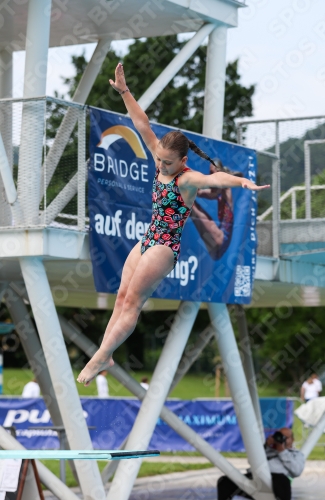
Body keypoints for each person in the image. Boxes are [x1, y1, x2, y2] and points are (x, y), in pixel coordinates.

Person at [77, 63, 270, 387]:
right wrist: (125, 92)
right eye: (159, 160)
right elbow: (142, 124)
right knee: (122, 295)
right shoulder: (160, 157)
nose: (162, 166)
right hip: (148, 236)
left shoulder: (187, 178)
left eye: (168, 162)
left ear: (182, 161)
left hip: (165, 246)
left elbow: (216, 177)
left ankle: (101, 355)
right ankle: (106, 353)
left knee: (134, 301)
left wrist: (241, 183)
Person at [217, 428, 305, 500]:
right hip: (255, 478)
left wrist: (282, 451)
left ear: (292, 440)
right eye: (279, 436)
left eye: (285, 437)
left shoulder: (296, 455)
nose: (282, 439)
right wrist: (266, 445)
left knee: (283, 480)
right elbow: (251, 461)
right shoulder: (267, 450)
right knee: (224, 481)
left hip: (276, 481)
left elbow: (297, 471)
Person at [191, 159, 243, 260]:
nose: (210, 175)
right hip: (215, 251)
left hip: (222, 238)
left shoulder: (225, 187)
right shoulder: (216, 193)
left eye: (212, 172)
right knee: (189, 209)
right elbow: (200, 192)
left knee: (190, 204)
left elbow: (204, 181)